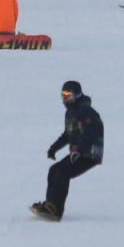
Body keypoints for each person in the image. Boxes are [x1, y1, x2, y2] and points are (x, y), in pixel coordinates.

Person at [33, 80, 104, 222]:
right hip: (77, 152)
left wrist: (79, 149)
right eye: (63, 96)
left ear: (77, 95)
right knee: (54, 169)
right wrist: (54, 148)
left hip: (90, 153)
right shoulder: (71, 112)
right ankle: (50, 205)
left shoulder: (87, 112)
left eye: (68, 96)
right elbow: (68, 134)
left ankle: (55, 210)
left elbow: (90, 134)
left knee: (62, 173)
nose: (65, 99)